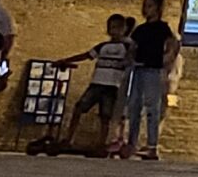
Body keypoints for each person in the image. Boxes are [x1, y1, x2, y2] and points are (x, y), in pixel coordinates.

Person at [42, 15, 135, 156]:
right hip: (97, 83)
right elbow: (86, 55)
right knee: (79, 108)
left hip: (112, 86)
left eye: (117, 28)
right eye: (111, 28)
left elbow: (133, 58)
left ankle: (102, 143)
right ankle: (69, 138)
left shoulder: (127, 47)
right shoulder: (102, 46)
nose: (114, 31)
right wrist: (66, 60)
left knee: (105, 115)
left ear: (124, 29)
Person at [123, 0, 179, 160]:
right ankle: (132, 143)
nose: (147, 10)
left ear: (158, 8)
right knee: (134, 106)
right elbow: (132, 47)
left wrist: (165, 61)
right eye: (145, 6)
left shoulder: (163, 28)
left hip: (153, 71)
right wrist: (131, 60)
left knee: (152, 107)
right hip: (138, 69)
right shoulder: (140, 30)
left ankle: (152, 145)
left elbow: (172, 46)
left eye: (150, 6)